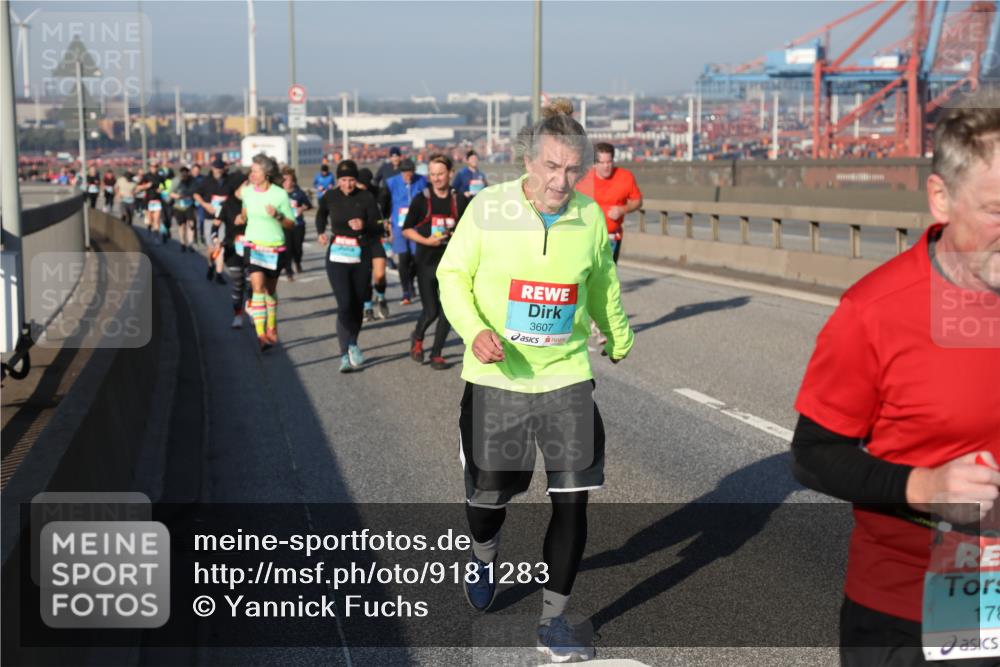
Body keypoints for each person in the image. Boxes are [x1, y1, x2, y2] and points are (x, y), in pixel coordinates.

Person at [791, 96, 1000, 666]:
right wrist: (924, 487)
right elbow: (813, 454)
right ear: (941, 197)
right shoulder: (876, 311)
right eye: (997, 212)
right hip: (919, 606)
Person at [437, 103, 634, 662]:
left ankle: (553, 622)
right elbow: (453, 276)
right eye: (551, 166)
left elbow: (602, 285)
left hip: (566, 376)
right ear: (527, 160)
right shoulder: (488, 207)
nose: (560, 181)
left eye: (572, 170)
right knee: (489, 494)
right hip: (499, 376)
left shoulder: (589, 217)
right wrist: (474, 331)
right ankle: (483, 553)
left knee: (573, 502)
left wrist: (619, 337)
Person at [315, 160, 383, 372]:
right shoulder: (330, 196)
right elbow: (320, 214)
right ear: (338, 180)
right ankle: (344, 354)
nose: (348, 184)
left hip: (361, 254)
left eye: (351, 180)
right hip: (337, 256)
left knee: (357, 304)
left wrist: (365, 225)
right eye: (344, 180)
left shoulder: (366, 197)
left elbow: (378, 225)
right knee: (344, 304)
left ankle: (353, 342)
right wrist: (320, 232)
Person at [403, 154, 468, 369]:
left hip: (451, 263)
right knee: (431, 310)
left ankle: (436, 353)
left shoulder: (459, 200)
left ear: (450, 174)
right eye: (432, 174)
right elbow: (407, 229)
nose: (437, 178)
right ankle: (418, 337)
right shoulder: (422, 199)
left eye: (440, 174)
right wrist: (426, 241)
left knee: (448, 311)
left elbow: (470, 230)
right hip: (426, 262)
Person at [236, 154, 296, 350]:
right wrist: (241, 217)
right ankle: (261, 335)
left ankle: (272, 326)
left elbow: (290, 223)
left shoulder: (279, 194)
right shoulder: (247, 192)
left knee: (270, 290)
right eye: (251, 171)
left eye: (255, 171)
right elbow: (245, 210)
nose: (251, 174)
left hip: (274, 247)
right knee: (257, 288)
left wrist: (277, 215)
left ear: (266, 174)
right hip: (253, 245)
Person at [195, 158, 249, 324]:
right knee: (238, 283)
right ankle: (238, 315)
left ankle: (253, 310)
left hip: (252, 247)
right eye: (246, 186)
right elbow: (215, 226)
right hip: (232, 244)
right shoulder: (227, 204)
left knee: (253, 283)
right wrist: (216, 238)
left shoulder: (254, 203)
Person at [574, 142, 643, 265]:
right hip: (587, 236)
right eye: (602, 162)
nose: (606, 166)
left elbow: (637, 201)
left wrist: (622, 210)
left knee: (607, 277)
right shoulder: (583, 179)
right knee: (586, 274)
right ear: (595, 163)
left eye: (609, 162)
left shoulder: (625, 177)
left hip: (611, 237)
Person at [381, 158, 426, 305]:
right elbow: (384, 202)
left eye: (411, 173)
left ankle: (411, 281)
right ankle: (405, 291)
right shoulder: (391, 183)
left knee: (416, 258)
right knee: (403, 258)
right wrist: (386, 220)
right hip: (398, 226)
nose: (409, 176)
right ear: (401, 172)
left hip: (416, 226)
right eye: (406, 174)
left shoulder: (422, 181)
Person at [357, 167, 390, 321]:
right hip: (359, 241)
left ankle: (381, 297)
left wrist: (388, 224)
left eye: (363, 183)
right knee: (364, 278)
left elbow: (388, 209)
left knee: (380, 274)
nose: (360, 186)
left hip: (376, 239)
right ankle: (367, 307)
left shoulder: (379, 193)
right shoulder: (352, 196)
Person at [281, 167, 312, 279]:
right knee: (287, 248)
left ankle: (297, 262)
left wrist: (301, 209)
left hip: (298, 225)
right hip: (284, 225)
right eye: (283, 180)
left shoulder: (299, 193)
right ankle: (288, 270)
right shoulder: (279, 193)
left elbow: (308, 205)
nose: (285, 182)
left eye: (287, 179)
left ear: (293, 181)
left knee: (297, 248)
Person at [170, 166, 199, 253]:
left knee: (191, 224)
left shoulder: (193, 181)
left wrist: (192, 196)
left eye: (186, 173)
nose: (184, 175)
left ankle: (190, 243)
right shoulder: (176, 181)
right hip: (178, 206)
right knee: (182, 226)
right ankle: (182, 243)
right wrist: (178, 196)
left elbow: (197, 191)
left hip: (189, 205)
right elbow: (170, 193)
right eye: (183, 173)